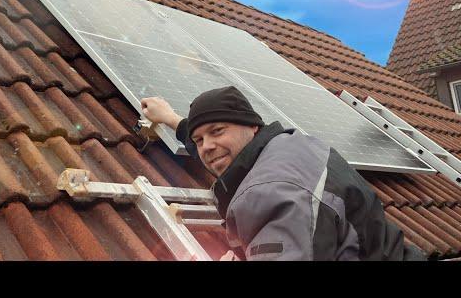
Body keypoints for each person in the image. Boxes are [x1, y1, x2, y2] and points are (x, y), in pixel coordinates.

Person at [141, 86, 425, 261]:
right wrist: (170, 118)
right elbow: (216, 146)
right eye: (199, 139)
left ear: (252, 127)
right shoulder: (285, 146)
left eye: (217, 131)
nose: (207, 147)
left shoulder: (272, 192)